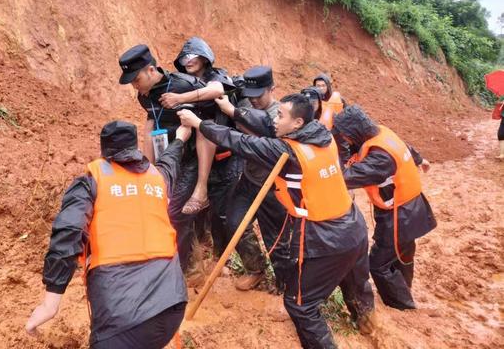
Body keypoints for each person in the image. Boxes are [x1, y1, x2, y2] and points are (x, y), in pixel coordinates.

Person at [178, 94, 375, 349]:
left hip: (327, 236)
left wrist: (198, 123)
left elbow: (240, 141)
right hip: (354, 225)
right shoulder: (324, 136)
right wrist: (233, 110)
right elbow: (260, 123)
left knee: (299, 305)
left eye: (281, 116)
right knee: (355, 281)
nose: (275, 119)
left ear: (297, 123)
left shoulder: (287, 152)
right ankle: (369, 325)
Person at [25, 121, 191, 349]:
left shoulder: (90, 182)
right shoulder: (157, 177)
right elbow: (169, 161)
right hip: (173, 305)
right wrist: (180, 137)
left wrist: (50, 304)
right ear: (136, 147)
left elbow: (69, 232)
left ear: (104, 150)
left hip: (122, 319)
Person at [118, 44, 237, 272]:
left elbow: (217, 94)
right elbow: (150, 127)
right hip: (171, 156)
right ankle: (189, 260)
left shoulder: (183, 83)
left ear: (151, 70)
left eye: (136, 79)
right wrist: (148, 168)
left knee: (174, 212)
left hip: (194, 156)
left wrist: (181, 99)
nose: (135, 85)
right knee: (171, 210)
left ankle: (186, 268)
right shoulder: (144, 96)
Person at [334, 105, 436, 310]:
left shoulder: (380, 157)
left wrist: (322, 174)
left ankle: (401, 304)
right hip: (411, 207)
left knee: (378, 264)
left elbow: (348, 178)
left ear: (354, 132)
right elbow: (405, 147)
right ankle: (404, 290)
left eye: (345, 135)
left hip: (399, 215)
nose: (344, 139)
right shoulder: (382, 133)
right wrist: (419, 159)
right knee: (403, 254)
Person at [215, 66, 288, 291]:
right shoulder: (245, 104)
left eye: (259, 96)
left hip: (273, 186)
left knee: (274, 236)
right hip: (249, 179)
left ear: (272, 89)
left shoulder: (281, 115)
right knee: (235, 224)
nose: (253, 101)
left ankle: (284, 281)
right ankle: (255, 268)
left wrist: (234, 112)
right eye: (250, 96)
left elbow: (265, 133)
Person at [160, 37, 235, 215]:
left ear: (204, 57)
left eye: (193, 55)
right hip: (189, 139)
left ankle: (201, 191)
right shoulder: (182, 80)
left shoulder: (216, 74)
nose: (188, 60)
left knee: (204, 127)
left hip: (217, 134)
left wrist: (179, 98)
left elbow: (216, 90)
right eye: (184, 57)